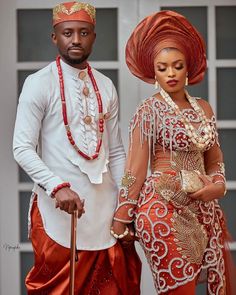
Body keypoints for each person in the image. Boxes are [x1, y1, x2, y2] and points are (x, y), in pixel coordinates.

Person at [13, 2, 141, 294]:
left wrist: (125, 204)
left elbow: (117, 152)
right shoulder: (38, 84)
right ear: (54, 37)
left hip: (105, 212)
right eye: (67, 32)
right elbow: (22, 147)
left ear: (94, 36)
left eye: (84, 32)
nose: (75, 40)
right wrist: (57, 187)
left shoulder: (106, 86)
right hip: (58, 212)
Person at [111, 10, 235, 295]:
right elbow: (135, 170)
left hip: (202, 210)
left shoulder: (204, 108)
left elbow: (215, 159)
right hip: (161, 209)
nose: (170, 74)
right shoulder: (149, 110)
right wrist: (121, 219)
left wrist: (218, 187)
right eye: (163, 67)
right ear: (153, 71)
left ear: (187, 68)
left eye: (177, 66)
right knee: (179, 291)